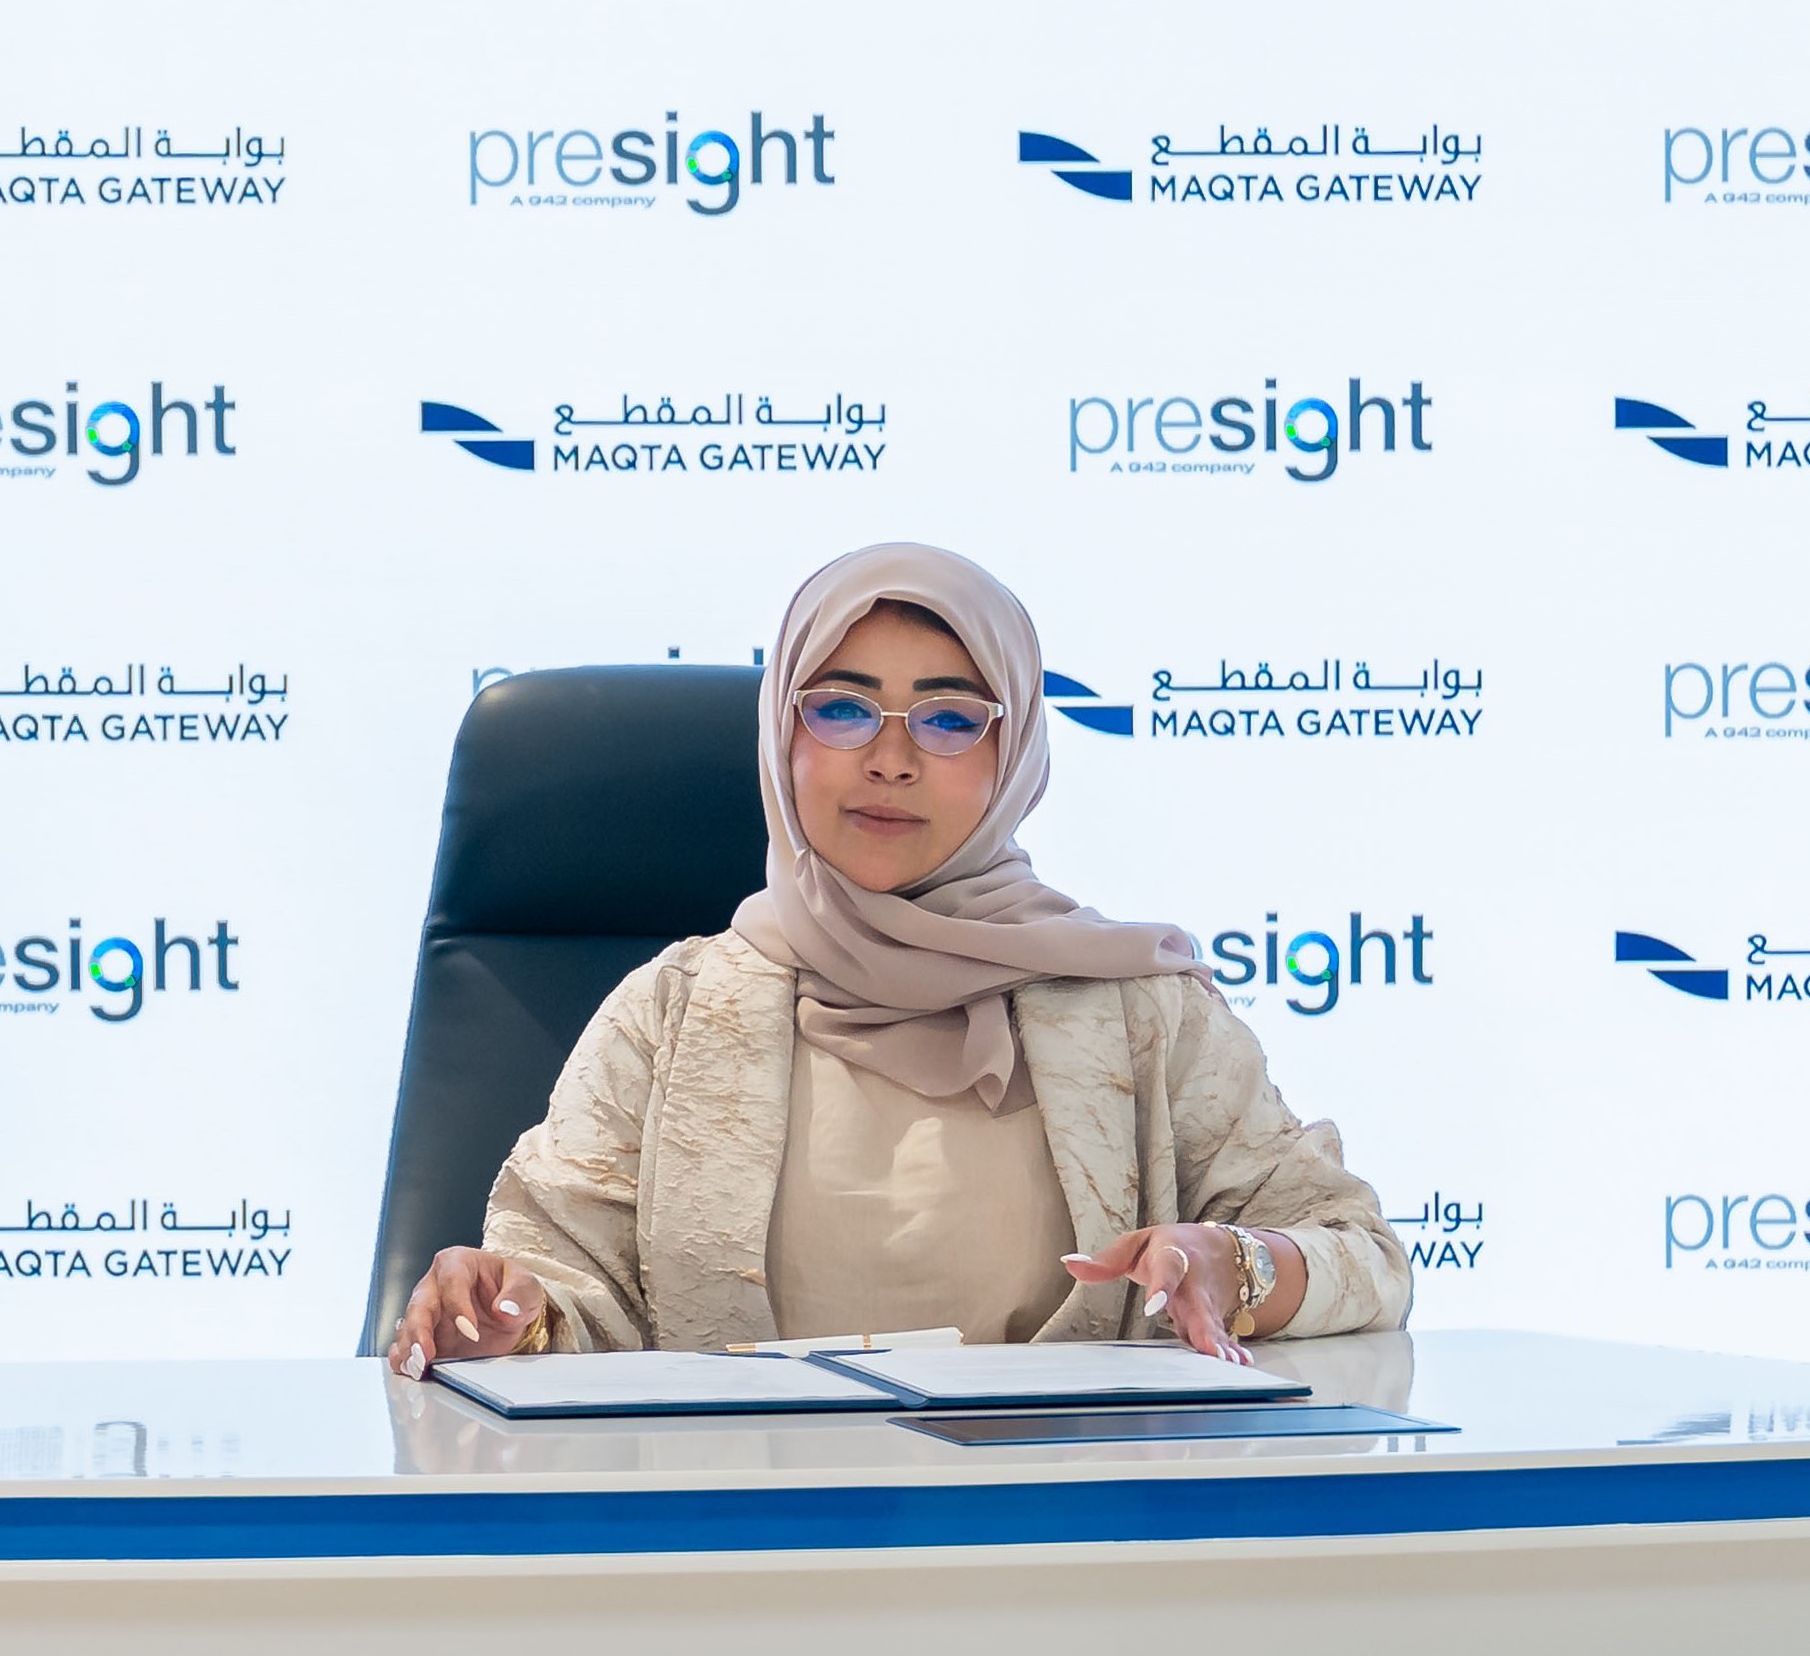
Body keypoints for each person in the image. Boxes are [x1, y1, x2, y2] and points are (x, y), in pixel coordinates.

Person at [388, 542, 1408, 1372]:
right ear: (781, 737)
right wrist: (505, 1312)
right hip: (740, 1526)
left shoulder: (1141, 1011)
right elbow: (562, 1285)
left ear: (1015, 752)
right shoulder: (671, 1010)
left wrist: (1234, 1264)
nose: (889, 759)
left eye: (950, 718)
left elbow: (1362, 1256)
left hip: (1064, 1527)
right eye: (840, 708)